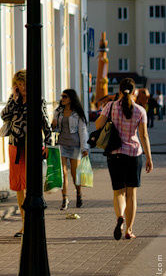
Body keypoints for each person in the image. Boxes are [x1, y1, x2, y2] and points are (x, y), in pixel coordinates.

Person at [95, 77, 153, 240]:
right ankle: (129, 229)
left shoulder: (110, 106)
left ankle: (120, 217)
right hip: (134, 154)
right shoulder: (140, 111)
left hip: (115, 154)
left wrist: (105, 112)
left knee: (118, 192)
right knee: (131, 194)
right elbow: (144, 135)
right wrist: (149, 157)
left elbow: (98, 125)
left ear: (119, 91)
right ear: (134, 92)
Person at [0, 70, 52, 238]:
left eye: (25, 84)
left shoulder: (38, 100)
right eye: (19, 84)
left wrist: (49, 144)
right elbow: (4, 115)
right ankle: (24, 224)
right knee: (18, 185)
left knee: (32, 183)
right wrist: (14, 99)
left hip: (33, 146)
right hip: (15, 146)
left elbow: (46, 123)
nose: (23, 87)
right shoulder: (14, 100)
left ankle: (33, 222)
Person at [52, 89, 89, 210]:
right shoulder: (58, 112)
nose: (62, 99)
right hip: (62, 144)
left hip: (75, 146)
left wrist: (85, 148)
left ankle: (79, 194)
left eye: (65, 97)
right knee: (63, 173)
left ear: (71, 99)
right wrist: (53, 125)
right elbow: (55, 129)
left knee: (74, 174)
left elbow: (82, 131)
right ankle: (65, 199)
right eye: (62, 96)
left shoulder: (77, 113)